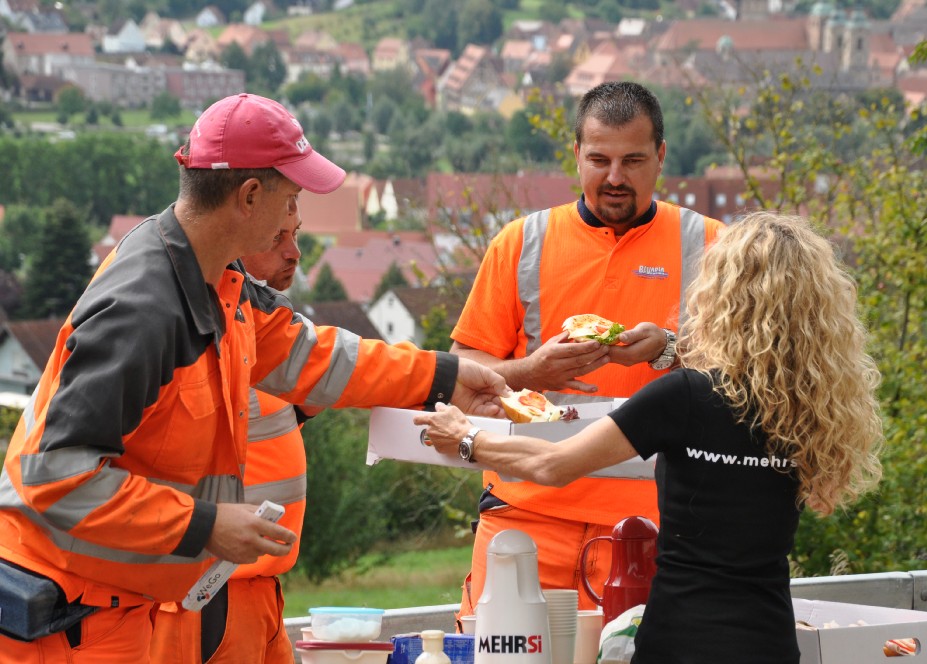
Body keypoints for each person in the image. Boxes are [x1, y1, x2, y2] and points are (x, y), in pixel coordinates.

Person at [0, 93, 505, 663]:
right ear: (249, 197)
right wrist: (205, 526)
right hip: (71, 625)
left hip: (117, 611)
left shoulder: (216, 284)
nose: (294, 218)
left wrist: (446, 376)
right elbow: (56, 475)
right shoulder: (143, 310)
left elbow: (318, 358)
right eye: (290, 200)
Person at [418, 211, 884, 663]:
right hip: (769, 644)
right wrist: (666, 347)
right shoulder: (806, 412)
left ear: (726, 297)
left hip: (678, 642)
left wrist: (467, 438)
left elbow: (552, 465)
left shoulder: (685, 397)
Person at [448, 80, 724, 617]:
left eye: (633, 161)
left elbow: (749, 376)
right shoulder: (521, 242)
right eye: (599, 159)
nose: (615, 178)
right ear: (575, 155)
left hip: (657, 526)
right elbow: (462, 371)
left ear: (661, 157)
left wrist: (669, 349)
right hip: (523, 516)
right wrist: (531, 370)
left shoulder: (713, 245)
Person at [149, 207, 310, 662]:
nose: (293, 253)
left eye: (295, 235)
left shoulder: (253, 325)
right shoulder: (188, 326)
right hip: (203, 597)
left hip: (260, 590)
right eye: (276, 236)